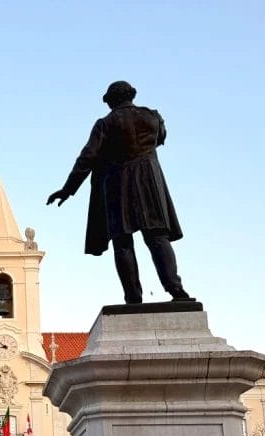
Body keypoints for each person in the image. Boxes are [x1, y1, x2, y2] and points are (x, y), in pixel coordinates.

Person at [47, 80, 194, 305]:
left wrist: (68, 189)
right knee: (157, 237)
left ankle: (133, 298)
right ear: (131, 96)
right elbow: (161, 138)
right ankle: (176, 289)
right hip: (149, 182)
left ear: (111, 101)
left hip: (119, 183)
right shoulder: (153, 116)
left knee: (122, 242)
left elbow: (87, 157)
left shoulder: (105, 124)